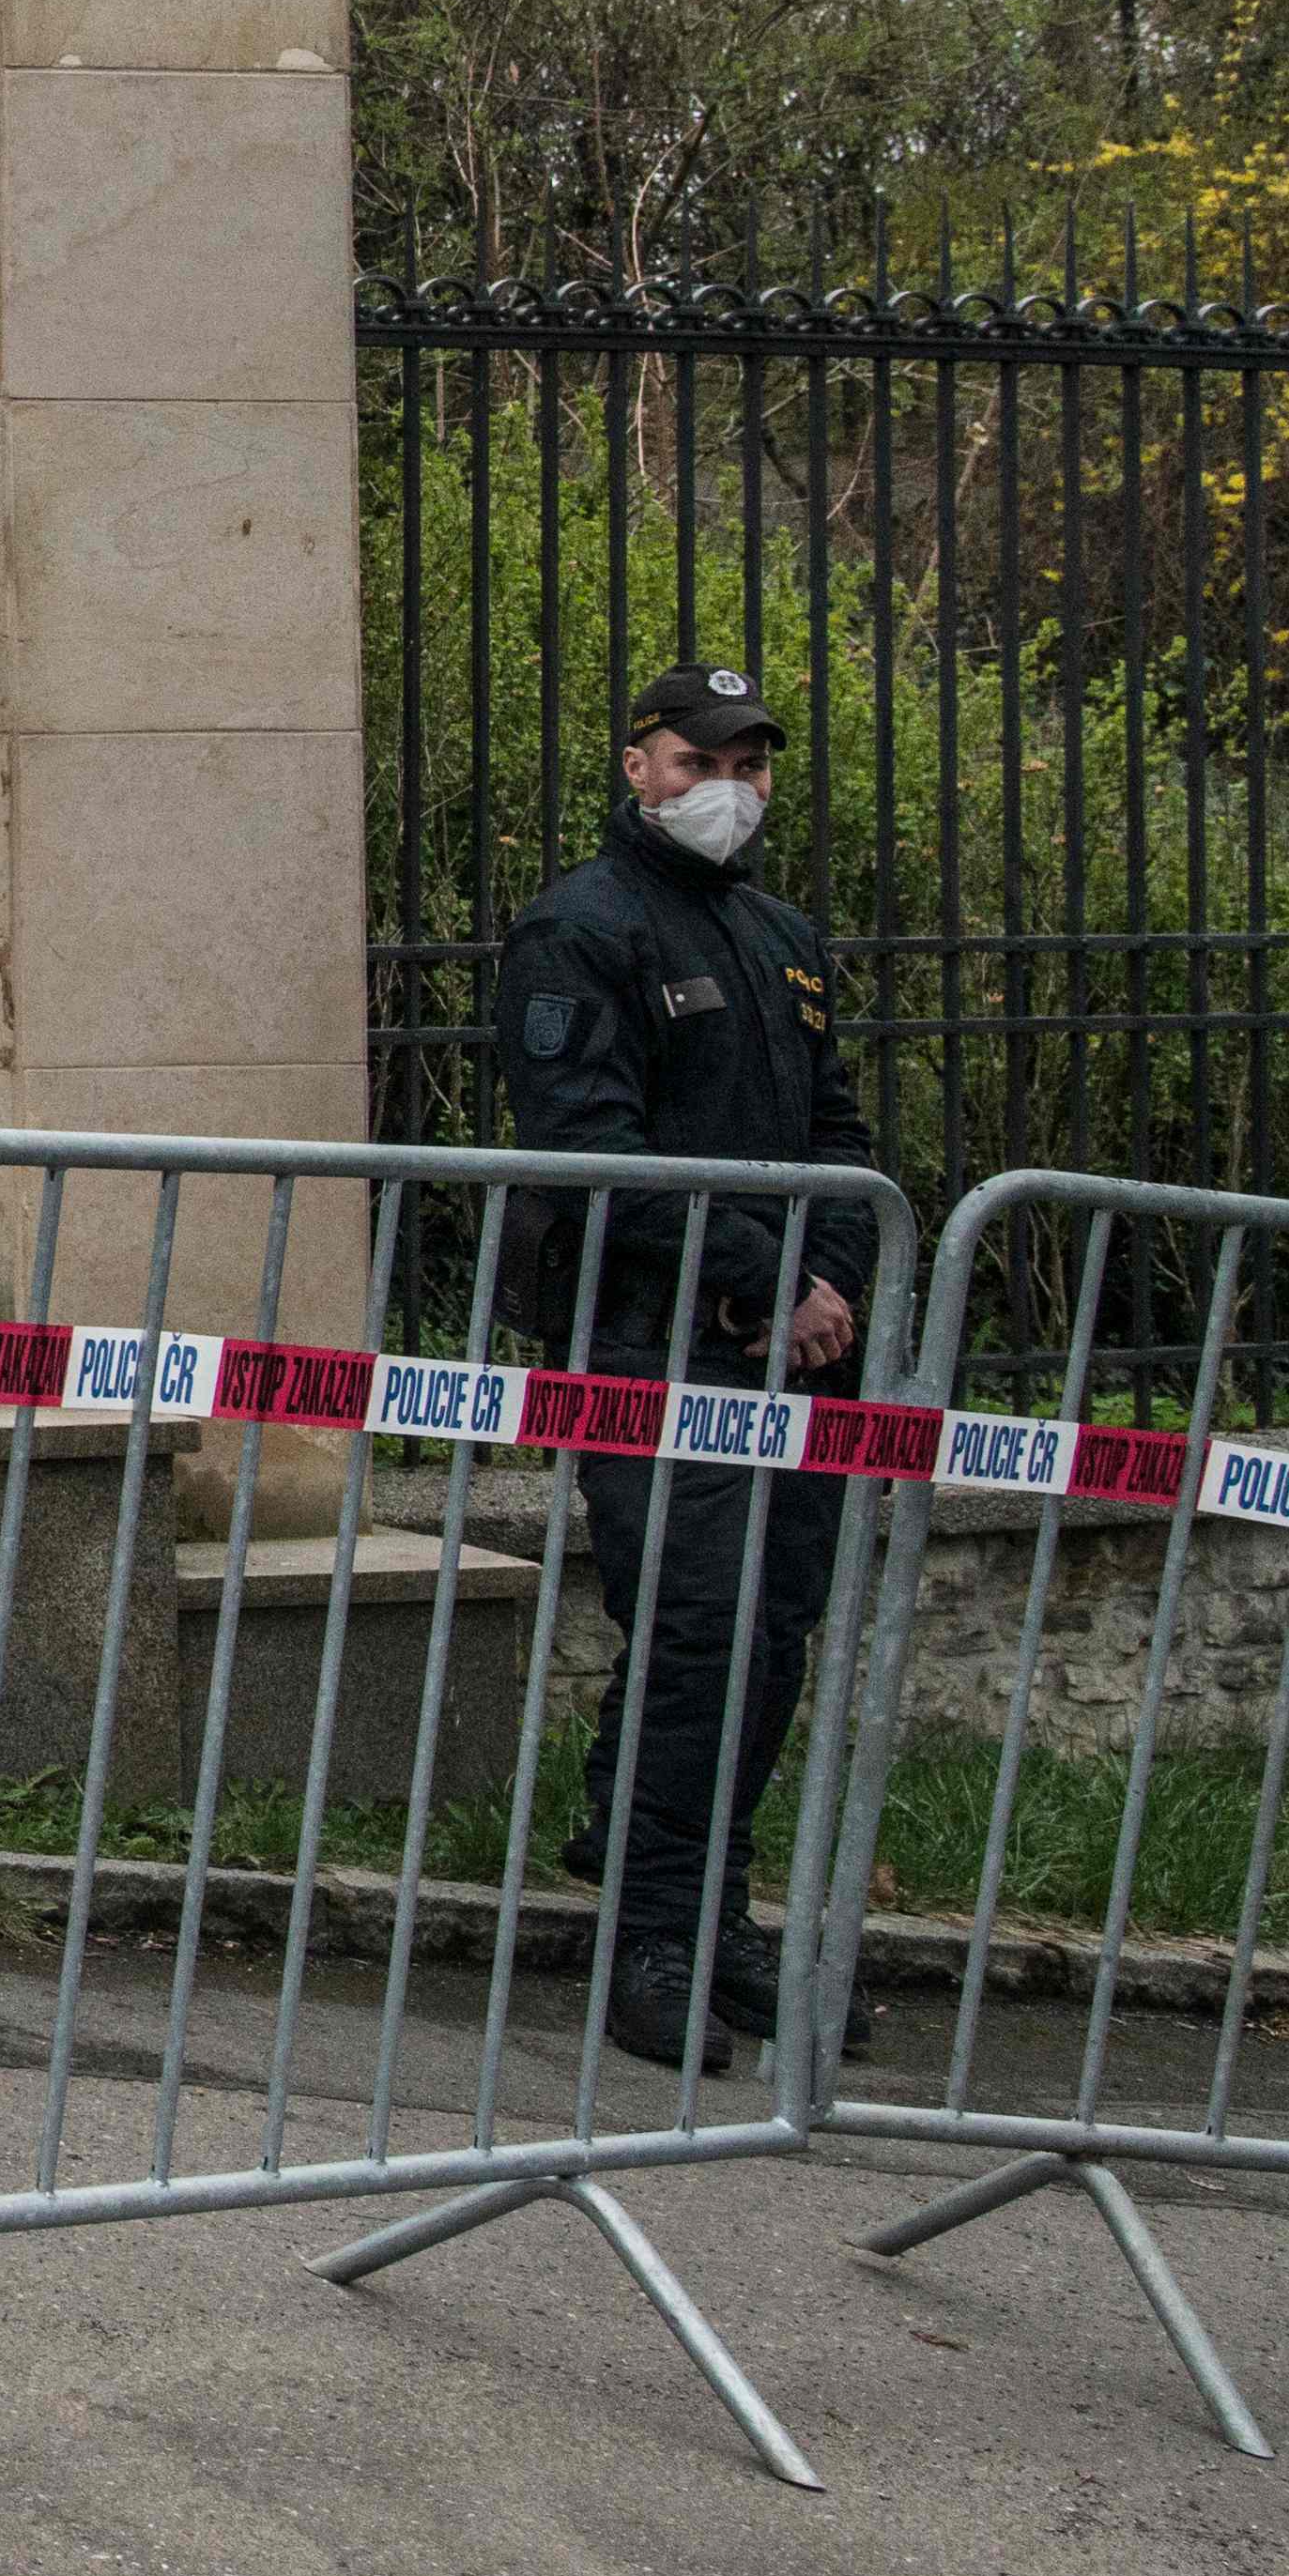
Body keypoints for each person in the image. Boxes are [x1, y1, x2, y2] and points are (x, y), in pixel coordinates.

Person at [492, 657, 890, 2072]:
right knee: (698, 1632)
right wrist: (768, 1280)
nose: (729, 787)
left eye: (751, 764)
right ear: (637, 766)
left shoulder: (780, 936)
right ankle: (650, 1939)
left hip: (800, 1361)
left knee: (769, 1637)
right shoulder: (579, 931)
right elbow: (594, 1150)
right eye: (701, 760)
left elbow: (840, 1133)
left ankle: (715, 1914)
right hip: (655, 1345)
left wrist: (835, 1270)